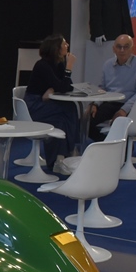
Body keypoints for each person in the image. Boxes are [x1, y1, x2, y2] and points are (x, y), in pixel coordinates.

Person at [24, 33, 78, 174]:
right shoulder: (42, 65)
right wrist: (69, 67)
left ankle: (63, 157)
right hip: (34, 104)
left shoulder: (59, 63)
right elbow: (62, 86)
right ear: (56, 48)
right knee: (64, 113)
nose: (67, 46)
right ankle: (65, 155)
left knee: (67, 111)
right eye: (64, 44)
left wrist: (53, 89)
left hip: (46, 103)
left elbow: (67, 86)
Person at [88, 34, 136, 141]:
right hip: (110, 103)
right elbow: (103, 89)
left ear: (133, 49)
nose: (122, 50)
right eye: (119, 47)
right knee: (87, 121)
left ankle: (122, 147)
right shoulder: (107, 65)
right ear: (114, 49)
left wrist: (124, 110)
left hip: (132, 105)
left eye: (126, 47)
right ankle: (108, 144)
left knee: (119, 124)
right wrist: (95, 104)